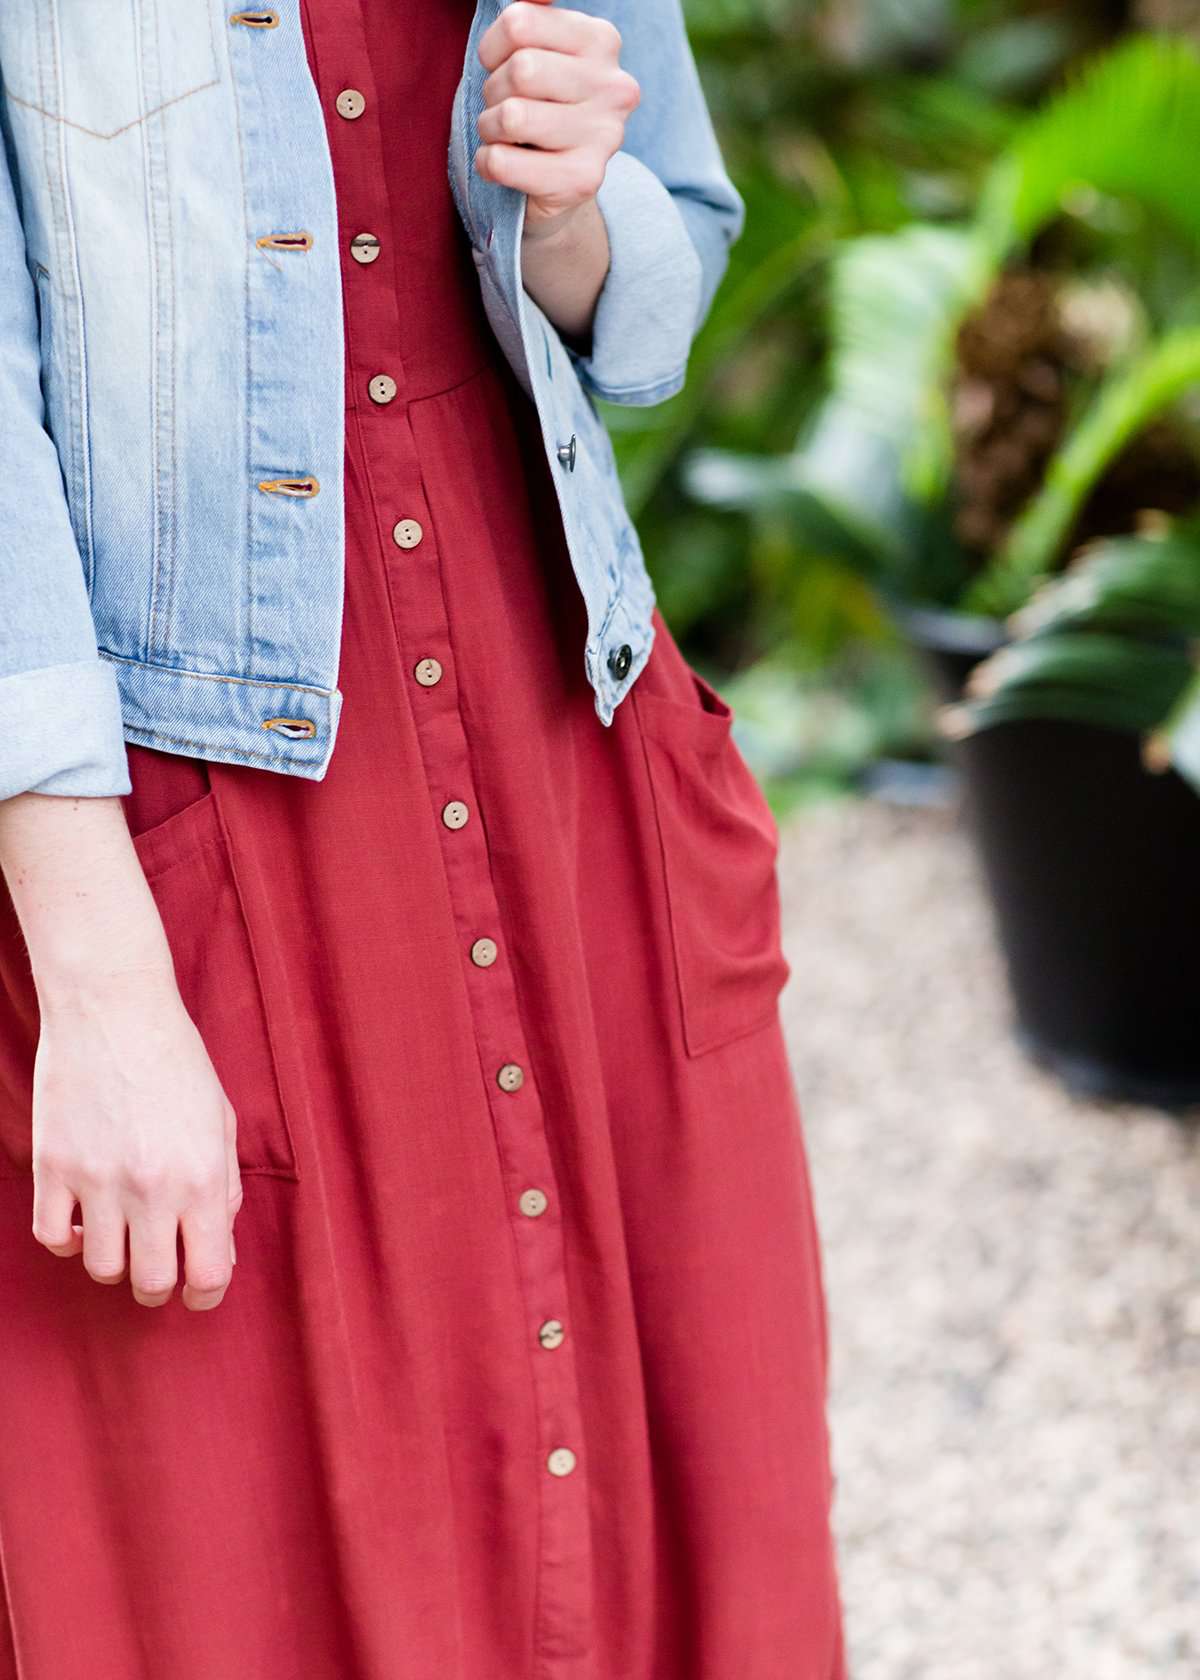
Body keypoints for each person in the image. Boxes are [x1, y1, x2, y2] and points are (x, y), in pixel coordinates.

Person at [0, 1, 845, 1675]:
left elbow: (661, 258)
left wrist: (575, 209)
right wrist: (98, 981)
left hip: (568, 727)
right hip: (196, 807)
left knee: (705, 1535)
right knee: (229, 1571)